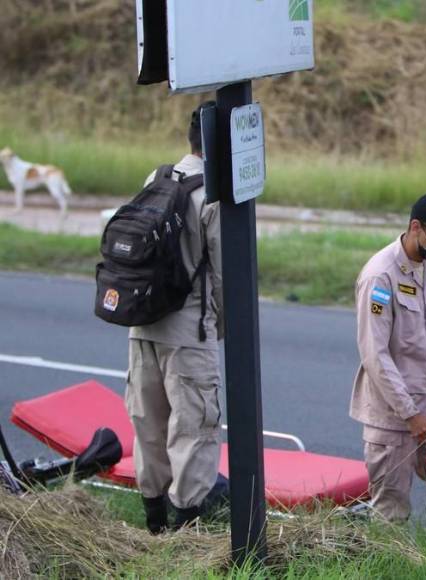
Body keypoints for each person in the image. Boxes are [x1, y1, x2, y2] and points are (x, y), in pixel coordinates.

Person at [126, 103, 223, 533]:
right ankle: (186, 532)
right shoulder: (213, 196)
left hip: (142, 324)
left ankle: (153, 525)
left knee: (148, 425)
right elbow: (222, 275)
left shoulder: (157, 177)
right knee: (193, 430)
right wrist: (218, 328)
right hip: (188, 330)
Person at [351, 192, 426, 522]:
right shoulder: (381, 276)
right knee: (391, 511)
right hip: (395, 416)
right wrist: (410, 415)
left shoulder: (425, 267)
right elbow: (374, 354)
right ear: (416, 227)